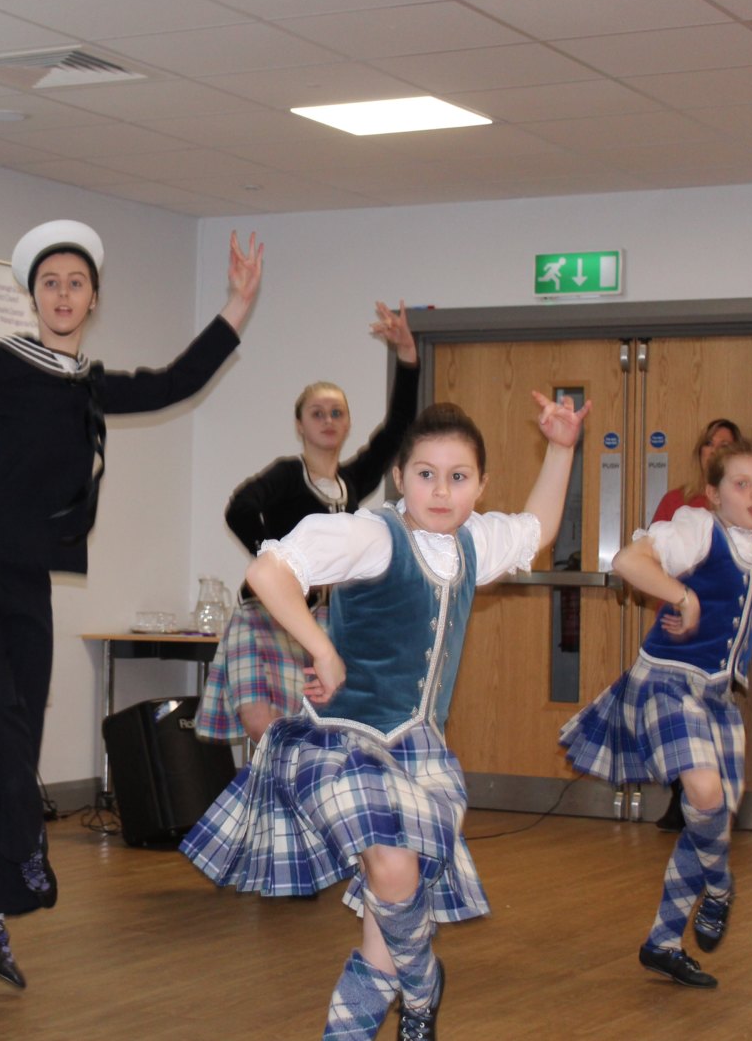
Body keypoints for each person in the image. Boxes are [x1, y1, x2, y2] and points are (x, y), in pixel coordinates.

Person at [0, 220, 263, 990]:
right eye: (49, 283)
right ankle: (27, 843)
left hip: (26, 579)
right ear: (33, 297)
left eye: (75, 283)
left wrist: (237, 307)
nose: (62, 294)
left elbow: (174, 383)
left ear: (93, 298)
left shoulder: (88, 386)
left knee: (13, 728)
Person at [185, 394, 589, 1040]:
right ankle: (423, 986)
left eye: (458, 477)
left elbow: (537, 527)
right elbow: (269, 572)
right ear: (400, 478)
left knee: (386, 922)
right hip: (343, 741)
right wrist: (321, 649)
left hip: (421, 752)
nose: (441, 490)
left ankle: (393, 1000)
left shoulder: (474, 544)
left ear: (481, 485)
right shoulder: (371, 535)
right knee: (395, 869)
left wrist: (562, 448)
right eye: (426, 474)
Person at [559, 396, 752, 990]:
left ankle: (663, 943)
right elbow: (630, 560)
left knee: (713, 817)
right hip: (666, 682)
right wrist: (682, 595)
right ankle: (720, 888)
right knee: (702, 790)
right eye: (742, 484)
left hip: (718, 696)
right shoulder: (696, 530)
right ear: (715, 493)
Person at [196, 300, 420, 746]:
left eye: (337, 413)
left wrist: (407, 355)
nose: (328, 421)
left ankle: (302, 787)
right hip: (266, 616)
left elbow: (397, 428)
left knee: (315, 721)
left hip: (320, 622)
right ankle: (270, 787)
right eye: (317, 413)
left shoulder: (352, 480)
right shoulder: (286, 474)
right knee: (262, 724)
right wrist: (278, 565)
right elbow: (240, 509)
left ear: (349, 423)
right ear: (299, 424)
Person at [650, 417, 743, 829]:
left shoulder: (742, 504)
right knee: (677, 717)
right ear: (700, 452)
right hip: (678, 626)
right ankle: (680, 800)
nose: (716, 450)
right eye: (710, 444)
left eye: (725, 444)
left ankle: (716, 806)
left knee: (713, 717)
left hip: (721, 631)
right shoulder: (678, 501)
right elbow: (653, 560)